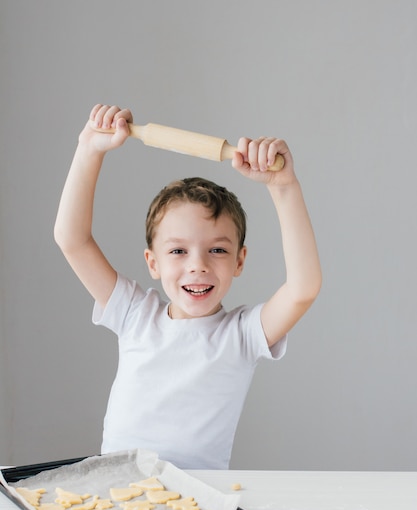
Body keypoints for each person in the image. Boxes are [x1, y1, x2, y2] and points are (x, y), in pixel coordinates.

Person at [55, 104, 321, 470]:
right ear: (153, 262)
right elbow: (72, 240)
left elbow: (303, 288)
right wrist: (89, 150)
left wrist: (284, 187)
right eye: (178, 250)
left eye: (217, 250)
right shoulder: (134, 314)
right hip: (118, 489)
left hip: (201, 498)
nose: (197, 265)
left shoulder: (242, 335)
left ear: (239, 261)